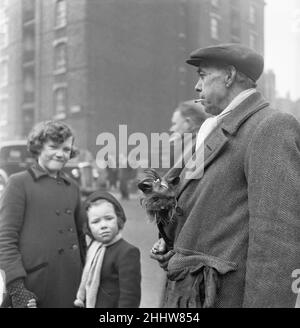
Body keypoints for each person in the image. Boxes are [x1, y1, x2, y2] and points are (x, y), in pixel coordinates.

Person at [151, 43, 300, 308]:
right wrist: (174, 248)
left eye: (203, 75)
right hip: (191, 292)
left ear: (230, 76)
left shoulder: (270, 126)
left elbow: (277, 242)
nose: (197, 87)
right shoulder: (211, 129)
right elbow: (202, 211)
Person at [0, 120, 85, 308]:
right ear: (38, 148)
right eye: (53, 147)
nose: (60, 154)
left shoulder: (73, 187)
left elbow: (81, 237)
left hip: (72, 285)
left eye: (66, 149)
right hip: (34, 287)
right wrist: (17, 288)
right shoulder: (18, 183)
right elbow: (5, 240)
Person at [74, 191, 141, 308]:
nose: (103, 225)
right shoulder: (93, 249)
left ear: (118, 219)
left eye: (109, 218)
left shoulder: (127, 252)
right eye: (95, 221)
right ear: (88, 227)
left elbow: (130, 297)